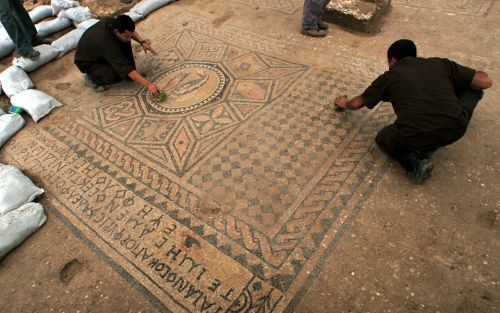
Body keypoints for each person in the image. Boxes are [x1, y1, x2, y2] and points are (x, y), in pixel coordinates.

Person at [334, 39, 493, 184]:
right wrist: (475, 74)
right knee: (474, 88)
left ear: (393, 60)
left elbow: (356, 104)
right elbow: (485, 82)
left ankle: (415, 162)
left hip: (417, 134)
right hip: (456, 127)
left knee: (384, 137)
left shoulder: (389, 77)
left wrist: (344, 103)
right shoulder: (440, 64)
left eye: (388, 62)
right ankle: (436, 135)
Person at [74, 14, 160, 95]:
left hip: (99, 51)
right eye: (127, 36)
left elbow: (130, 32)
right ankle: (91, 78)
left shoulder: (115, 23)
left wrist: (142, 42)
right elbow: (125, 68)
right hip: (88, 61)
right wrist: (149, 85)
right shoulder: (106, 43)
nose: (130, 39)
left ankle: (126, 74)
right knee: (116, 75)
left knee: (125, 42)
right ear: (116, 31)